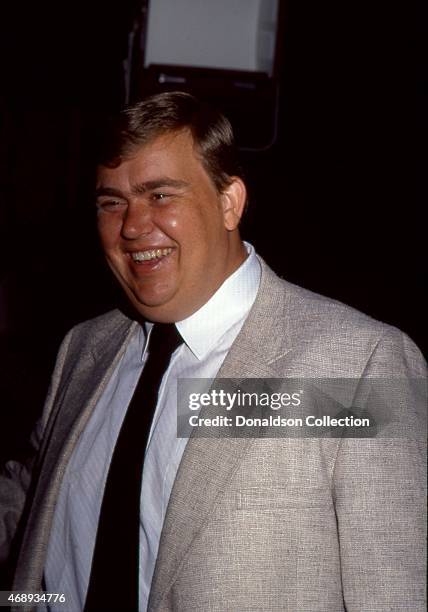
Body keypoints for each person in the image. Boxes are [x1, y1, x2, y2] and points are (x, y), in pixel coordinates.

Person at [0, 91, 426, 612]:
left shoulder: (356, 367)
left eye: (160, 195)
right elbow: (30, 515)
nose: (132, 226)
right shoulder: (84, 348)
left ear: (230, 203)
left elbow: (395, 595)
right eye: (112, 202)